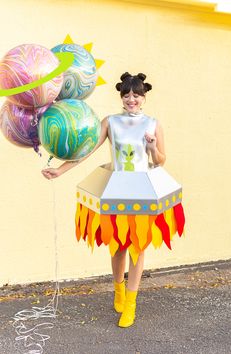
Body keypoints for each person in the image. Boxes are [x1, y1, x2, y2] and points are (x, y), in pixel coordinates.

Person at [42, 72, 166, 328]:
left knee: (138, 247)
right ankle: (118, 291)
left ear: (144, 97)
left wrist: (152, 146)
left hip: (142, 189)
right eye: (127, 94)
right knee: (118, 245)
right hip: (117, 188)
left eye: (136, 95)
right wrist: (60, 171)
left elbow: (160, 160)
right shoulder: (111, 122)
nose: (131, 99)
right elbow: (85, 150)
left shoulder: (153, 124)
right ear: (121, 95)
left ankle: (130, 304)